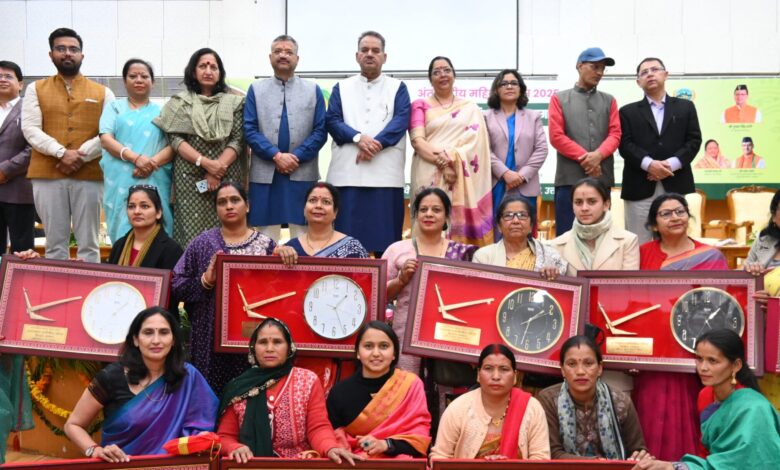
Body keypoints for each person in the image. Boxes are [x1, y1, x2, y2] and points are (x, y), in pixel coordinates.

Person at [635, 193, 729, 461]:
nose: (675, 217)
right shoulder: (641, 255)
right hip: (651, 356)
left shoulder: (711, 256)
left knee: (691, 412)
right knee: (650, 413)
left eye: (680, 211)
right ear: (654, 224)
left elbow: (722, 303)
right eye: (666, 214)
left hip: (694, 354)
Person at [64, 307, 218, 463]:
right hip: (122, 466)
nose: (156, 340)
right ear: (135, 339)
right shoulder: (111, 377)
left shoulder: (188, 377)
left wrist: (201, 439)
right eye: (148, 332)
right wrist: (94, 450)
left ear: (173, 340)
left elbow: (203, 425)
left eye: (164, 332)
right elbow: (73, 425)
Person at [21, 28, 115, 262]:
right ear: (51, 54)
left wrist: (80, 156)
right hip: (47, 174)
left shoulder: (103, 92)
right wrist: (61, 153)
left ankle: (89, 295)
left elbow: (110, 132)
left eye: (73, 49)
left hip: (90, 174)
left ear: (82, 55)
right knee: (54, 245)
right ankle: (58, 292)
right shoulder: (36, 89)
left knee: (89, 244)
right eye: (61, 49)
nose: (67, 53)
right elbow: (30, 129)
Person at [172, 182, 276, 394]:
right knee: (210, 397)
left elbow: (278, 292)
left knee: (249, 396)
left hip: (251, 336)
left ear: (247, 206)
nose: (229, 206)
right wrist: (205, 281)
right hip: (208, 337)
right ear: (216, 209)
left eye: (235, 200)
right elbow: (176, 284)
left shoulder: (267, 246)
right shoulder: (202, 243)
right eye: (222, 202)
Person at [217, 318, 360, 464]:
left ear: (289, 348)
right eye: (263, 342)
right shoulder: (238, 387)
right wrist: (234, 447)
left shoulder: (307, 381)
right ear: (253, 348)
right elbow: (224, 436)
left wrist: (330, 448)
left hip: (297, 465)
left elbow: (318, 427)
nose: (269, 348)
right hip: (252, 464)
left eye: (277, 342)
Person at [631, 329, 780, 470]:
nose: (703, 367)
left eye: (712, 361)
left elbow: (749, 461)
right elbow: (706, 454)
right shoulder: (705, 395)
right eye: (699, 359)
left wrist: (676, 467)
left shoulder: (754, 409)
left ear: (736, 365)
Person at [325, 31, 410, 255]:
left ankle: (384, 290)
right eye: (365, 50)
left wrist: (376, 144)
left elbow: (401, 120)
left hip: (386, 179)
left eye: (375, 50)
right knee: (343, 247)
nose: (370, 54)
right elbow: (332, 120)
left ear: (385, 56)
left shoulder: (398, 87)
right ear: (357, 56)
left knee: (386, 248)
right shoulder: (341, 87)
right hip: (347, 177)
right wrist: (358, 138)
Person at [154, 48, 245, 247]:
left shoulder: (236, 102)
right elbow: (176, 140)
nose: (208, 70)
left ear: (220, 73)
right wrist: (204, 163)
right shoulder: (179, 103)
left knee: (226, 227)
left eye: (213, 67)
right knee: (190, 234)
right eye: (203, 66)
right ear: (193, 71)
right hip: (189, 177)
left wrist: (217, 169)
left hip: (226, 175)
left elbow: (238, 139)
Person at [383, 187, 477, 372]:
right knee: (408, 387)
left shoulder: (462, 253)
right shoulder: (397, 250)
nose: (429, 214)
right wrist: (401, 280)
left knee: (444, 387)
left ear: (446, 216)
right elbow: (377, 295)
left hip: (448, 332)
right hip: (406, 335)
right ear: (416, 215)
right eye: (423, 209)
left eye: (436, 210)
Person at [245, 35, 327, 241]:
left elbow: (320, 131)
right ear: (270, 57)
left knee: (304, 234)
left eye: (288, 52)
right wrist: (276, 155)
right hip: (265, 173)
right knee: (264, 237)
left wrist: (295, 157)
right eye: (278, 51)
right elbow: (249, 129)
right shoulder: (256, 89)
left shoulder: (312, 90)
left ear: (297, 59)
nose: (283, 55)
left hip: (302, 172)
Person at [409, 56, 493, 247]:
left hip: (461, 173)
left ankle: (461, 263)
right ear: (430, 79)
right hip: (427, 169)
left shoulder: (470, 108)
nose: (442, 75)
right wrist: (445, 163)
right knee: (428, 213)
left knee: (455, 220)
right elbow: (418, 142)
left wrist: (452, 163)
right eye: (436, 72)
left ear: (454, 75)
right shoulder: (420, 105)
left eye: (446, 70)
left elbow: (475, 142)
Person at [619, 57, 702, 245]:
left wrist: (669, 165)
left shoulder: (686, 107)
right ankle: (640, 277)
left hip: (676, 182)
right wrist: (650, 165)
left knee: (675, 240)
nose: (650, 74)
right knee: (638, 243)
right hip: (639, 185)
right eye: (644, 72)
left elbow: (694, 141)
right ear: (638, 81)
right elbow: (625, 144)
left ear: (665, 74)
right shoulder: (627, 112)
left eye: (655, 69)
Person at [326, 321, 431, 458]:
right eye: (368, 346)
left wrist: (386, 444)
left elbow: (420, 439)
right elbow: (331, 437)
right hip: (355, 464)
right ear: (358, 353)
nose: (376, 353)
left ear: (394, 353)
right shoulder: (339, 393)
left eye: (384, 346)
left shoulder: (411, 385)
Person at [429, 344, 550, 460]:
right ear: (478, 375)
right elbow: (440, 457)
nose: (496, 376)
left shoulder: (532, 408)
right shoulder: (458, 409)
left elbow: (541, 459)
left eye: (504, 369)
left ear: (515, 377)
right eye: (488, 368)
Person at [537, 335, 648, 460]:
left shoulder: (620, 401)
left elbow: (637, 449)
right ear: (562, 370)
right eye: (572, 364)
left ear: (600, 368)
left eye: (588, 363)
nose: (580, 371)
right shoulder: (548, 400)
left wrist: (639, 456)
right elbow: (552, 454)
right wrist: (595, 464)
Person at [99, 58, 173, 242]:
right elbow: (106, 139)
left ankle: (157, 270)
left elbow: (174, 145)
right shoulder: (114, 107)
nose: (139, 80)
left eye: (144, 76)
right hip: (121, 180)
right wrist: (136, 158)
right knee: (123, 228)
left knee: (157, 230)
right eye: (133, 76)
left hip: (155, 177)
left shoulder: (163, 112)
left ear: (152, 81)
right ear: (125, 81)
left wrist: (151, 163)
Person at [548, 47, 621, 235]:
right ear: (579, 66)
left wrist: (598, 155)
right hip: (568, 179)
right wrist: (588, 159)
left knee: (602, 235)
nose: (599, 72)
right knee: (566, 235)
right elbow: (556, 137)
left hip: (601, 178)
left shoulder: (609, 100)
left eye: (602, 68)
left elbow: (615, 134)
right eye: (594, 66)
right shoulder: (559, 99)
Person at [485, 70, 547, 220]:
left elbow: (541, 149)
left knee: (523, 231)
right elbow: (483, 150)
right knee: (497, 232)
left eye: (514, 83)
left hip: (525, 185)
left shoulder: (533, 117)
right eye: (504, 83)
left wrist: (521, 175)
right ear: (496, 90)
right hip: (496, 184)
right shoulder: (485, 117)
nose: (509, 86)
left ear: (521, 89)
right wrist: (505, 173)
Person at [549, 177, 639, 276]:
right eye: (578, 202)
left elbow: (629, 286)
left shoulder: (628, 241)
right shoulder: (556, 245)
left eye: (592, 202)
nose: (584, 208)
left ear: (606, 204)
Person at [743, 188, 780, 409]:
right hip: (763, 333)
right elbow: (743, 278)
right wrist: (750, 273)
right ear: (774, 214)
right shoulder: (764, 240)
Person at [473, 194, 566, 276]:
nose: (516, 221)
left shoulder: (550, 256)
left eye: (522, 215)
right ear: (499, 226)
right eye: (508, 215)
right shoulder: (483, 257)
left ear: (531, 226)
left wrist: (551, 277)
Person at [274, 182, 368, 263]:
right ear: (304, 209)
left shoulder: (352, 248)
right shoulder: (290, 247)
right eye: (312, 200)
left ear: (335, 212)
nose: (318, 206)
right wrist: (276, 256)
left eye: (326, 202)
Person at [0, 60, 34, 253]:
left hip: (19, 191)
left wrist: (5, 170)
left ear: (20, 84)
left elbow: (34, 147)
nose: (2, 80)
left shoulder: (30, 109)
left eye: (8, 76)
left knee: (23, 252)